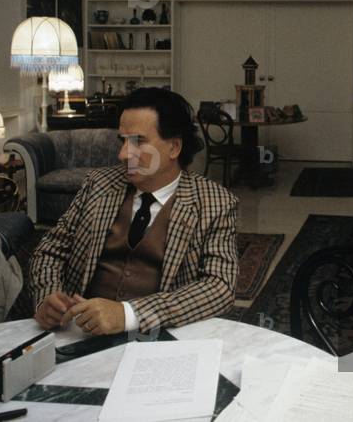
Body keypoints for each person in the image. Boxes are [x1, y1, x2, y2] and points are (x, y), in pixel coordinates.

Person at [29, 88, 237, 335]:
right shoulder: (98, 184)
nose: (123, 154)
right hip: (81, 334)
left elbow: (220, 286)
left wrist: (129, 315)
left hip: (161, 340)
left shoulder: (216, 202)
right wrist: (48, 297)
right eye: (123, 141)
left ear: (174, 147)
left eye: (138, 141)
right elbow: (49, 252)